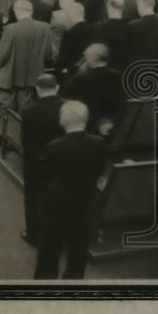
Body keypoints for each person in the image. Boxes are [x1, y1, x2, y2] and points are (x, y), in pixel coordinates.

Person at [33, 100, 109, 279]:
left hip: (56, 211)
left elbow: (42, 177)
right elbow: (99, 171)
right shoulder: (99, 143)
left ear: (65, 120)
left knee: (48, 260)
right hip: (84, 209)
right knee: (77, 261)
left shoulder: (53, 148)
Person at [0, 0, 56, 139]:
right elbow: (48, 54)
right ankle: (21, 138)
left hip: (9, 75)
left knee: (6, 108)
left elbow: (3, 54)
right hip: (32, 75)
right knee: (25, 110)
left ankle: (3, 137)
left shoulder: (10, 28)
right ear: (31, 11)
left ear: (16, 11)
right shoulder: (45, 27)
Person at [20, 74, 64, 245]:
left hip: (36, 162)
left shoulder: (29, 111)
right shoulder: (67, 107)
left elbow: (26, 143)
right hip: (60, 162)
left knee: (33, 199)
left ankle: (33, 234)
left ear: (37, 90)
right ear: (57, 88)